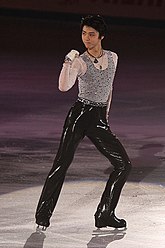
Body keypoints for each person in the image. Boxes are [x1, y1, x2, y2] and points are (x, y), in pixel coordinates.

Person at [35, 15, 132, 231]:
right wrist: (68, 62)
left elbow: (110, 89)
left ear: (101, 36)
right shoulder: (79, 61)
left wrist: (106, 116)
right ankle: (43, 215)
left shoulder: (113, 58)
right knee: (61, 163)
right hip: (79, 116)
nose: (86, 39)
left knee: (124, 165)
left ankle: (105, 214)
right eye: (83, 33)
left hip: (98, 118)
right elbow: (63, 86)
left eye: (91, 34)